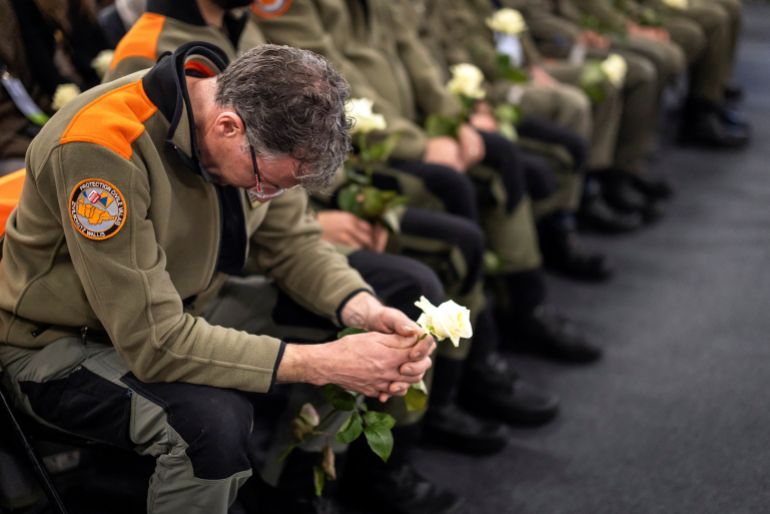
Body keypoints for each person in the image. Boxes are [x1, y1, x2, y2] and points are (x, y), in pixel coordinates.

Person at [0, 42, 437, 514]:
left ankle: (285, 495)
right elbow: (157, 343)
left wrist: (362, 308)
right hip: (56, 346)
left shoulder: (253, 119)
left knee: (354, 328)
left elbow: (294, 244)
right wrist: (323, 362)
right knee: (210, 427)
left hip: (187, 305)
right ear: (228, 127)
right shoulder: (102, 149)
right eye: (266, 184)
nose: (267, 194)